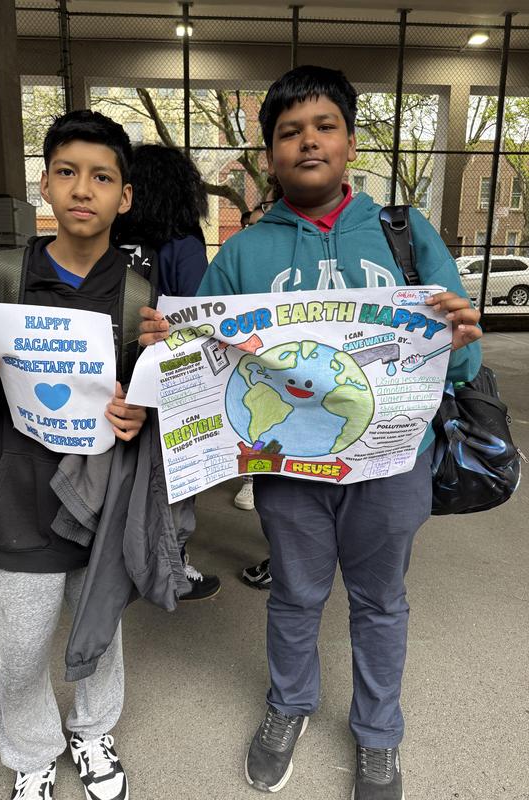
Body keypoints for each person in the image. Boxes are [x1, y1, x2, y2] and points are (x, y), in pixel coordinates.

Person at [139, 65, 482, 800]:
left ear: (351, 143)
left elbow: (466, 361)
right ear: (269, 156)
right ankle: (289, 705)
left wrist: (461, 336)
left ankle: (379, 735)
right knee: (295, 594)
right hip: (289, 465)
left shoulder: (405, 234)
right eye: (289, 132)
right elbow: (200, 360)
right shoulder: (243, 254)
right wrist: (168, 341)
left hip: (394, 460)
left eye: (324, 126)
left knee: (380, 600)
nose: (307, 141)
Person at [0, 110, 146, 800]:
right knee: (23, 644)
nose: (82, 189)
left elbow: (156, 403)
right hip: (17, 498)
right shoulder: (6, 273)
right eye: (67, 172)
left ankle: (93, 731)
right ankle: (32, 752)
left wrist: (139, 412)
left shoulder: (139, 293)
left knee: (98, 628)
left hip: (99, 503)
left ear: (124, 196)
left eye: (101, 176)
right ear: (45, 185)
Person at [114, 143, 220, 601]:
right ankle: (172, 572)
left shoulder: (107, 239)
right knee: (175, 479)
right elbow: (201, 317)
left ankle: (116, 566)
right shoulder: (183, 244)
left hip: (109, 378)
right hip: (166, 385)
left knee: (113, 473)